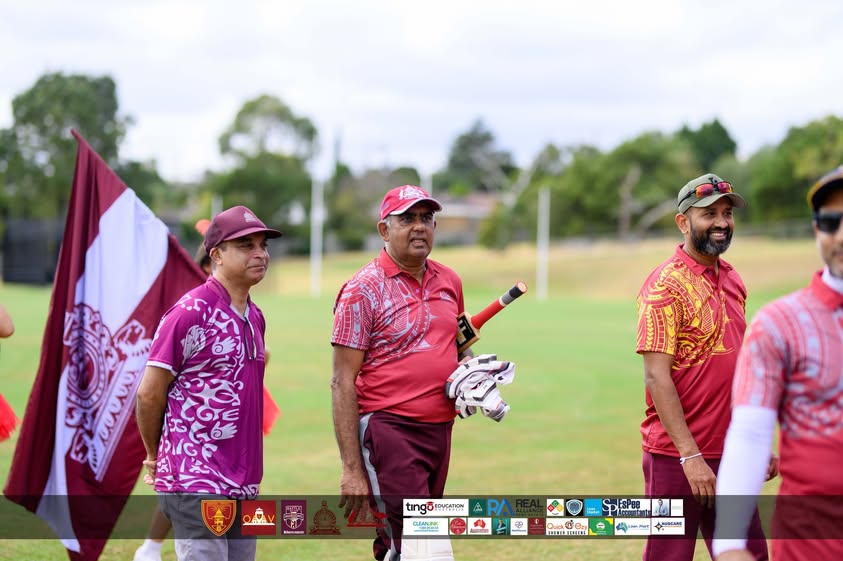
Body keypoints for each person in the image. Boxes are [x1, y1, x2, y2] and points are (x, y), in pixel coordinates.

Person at [331, 185, 475, 561]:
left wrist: (472, 370)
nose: (419, 227)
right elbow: (342, 380)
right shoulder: (361, 290)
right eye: (407, 219)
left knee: (399, 546)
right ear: (384, 230)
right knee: (426, 546)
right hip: (389, 430)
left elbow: (459, 345)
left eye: (426, 218)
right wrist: (351, 469)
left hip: (440, 430)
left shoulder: (450, 281)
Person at [635, 173, 771, 561]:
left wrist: (756, 441)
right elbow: (656, 375)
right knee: (669, 557)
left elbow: (742, 366)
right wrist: (690, 456)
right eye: (709, 214)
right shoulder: (664, 285)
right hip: (676, 457)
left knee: (749, 554)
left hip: (733, 451)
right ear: (683, 222)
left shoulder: (733, 278)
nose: (722, 223)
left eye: (727, 213)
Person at [136, 205, 281, 561]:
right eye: (246, 245)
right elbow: (149, 394)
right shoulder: (190, 313)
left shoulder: (256, 316)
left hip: (245, 479)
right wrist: (155, 455)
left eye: (262, 245)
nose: (260, 253)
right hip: (196, 477)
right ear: (216, 254)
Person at [713, 166, 843, 561]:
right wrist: (729, 542)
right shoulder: (779, 324)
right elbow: (751, 434)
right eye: (830, 222)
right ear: (816, 229)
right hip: (811, 543)